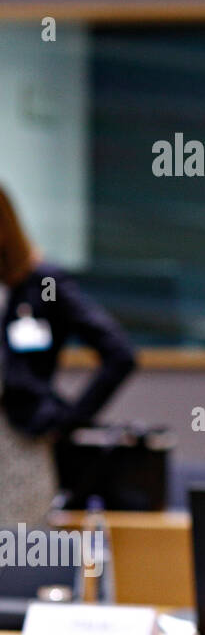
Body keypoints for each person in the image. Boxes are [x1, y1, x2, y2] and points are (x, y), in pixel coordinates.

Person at [0, 185, 136, 527]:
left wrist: (67, 421)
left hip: (18, 446)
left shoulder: (39, 282)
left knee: (17, 562)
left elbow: (119, 353)